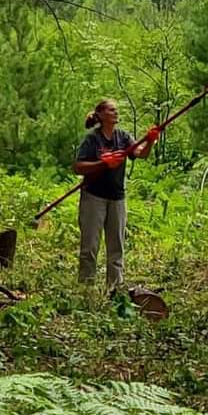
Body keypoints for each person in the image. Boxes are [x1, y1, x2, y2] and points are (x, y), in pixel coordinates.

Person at [72, 98, 159, 289]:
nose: (116, 113)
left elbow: (140, 153)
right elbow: (78, 167)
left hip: (117, 198)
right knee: (90, 247)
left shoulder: (123, 137)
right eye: (112, 110)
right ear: (101, 115)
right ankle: (85, 290)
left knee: (116, 247)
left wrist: (150, 140)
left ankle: (115, 290)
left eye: (116, 110)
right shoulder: (92, 139)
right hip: (93, 197)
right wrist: (103, 163)